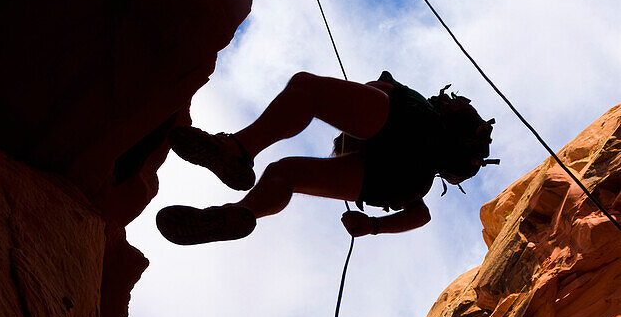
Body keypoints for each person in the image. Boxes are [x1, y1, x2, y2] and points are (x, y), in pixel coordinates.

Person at [156, 70, 497, 245]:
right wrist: (372, 226)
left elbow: (378, 89)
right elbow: (421, 215)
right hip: (404, 183)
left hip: (409, 123)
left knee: (308, 89)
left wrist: (353, 128)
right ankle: (239, 213)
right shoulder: (425, 179)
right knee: (285, 173)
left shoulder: (421, 105)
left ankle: (238, 149)